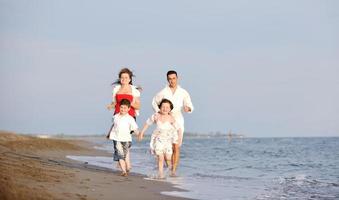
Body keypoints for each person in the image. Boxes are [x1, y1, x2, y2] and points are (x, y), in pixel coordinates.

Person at [151, 70, 194, 176]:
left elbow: (190, 106)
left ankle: (173, 170)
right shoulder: (163, 92)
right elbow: (154, 102)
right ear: (167, 80)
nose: (172, 81)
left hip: (178, 119)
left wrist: (187, 108)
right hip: (166, 120)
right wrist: (160, 113)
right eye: (170, 79)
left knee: (176, 146)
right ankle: (169, 166)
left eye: (174, 78)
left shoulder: (183, 92)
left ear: (177, 78)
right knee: (166, 147)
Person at [139, 99, 181, 178]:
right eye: (163, 107)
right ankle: (161, 174)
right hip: (158, 139)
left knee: (168, 158)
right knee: (160, 157)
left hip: (168, 140)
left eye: (167, 107)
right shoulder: (156, 116)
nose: (165, 109)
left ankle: (171, 171)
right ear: (159, 107)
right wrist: (142, 133)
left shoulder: (171, 118)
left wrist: (179, 138)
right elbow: (147, 123)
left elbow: (179, 128)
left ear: (170, 109)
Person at [106, 99, 139, 176]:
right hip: (117, 138)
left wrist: (139, 134)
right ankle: (124, 171)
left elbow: (135, 128)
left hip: (127, 139)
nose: (123, 109)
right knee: (120, 155)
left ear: (128, 109)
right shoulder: (115, 117)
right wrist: (109, 133)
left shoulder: (130, 118)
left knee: (125, 153)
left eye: (125, 108)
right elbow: (114, 126)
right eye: (121, 107)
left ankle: (127, 167)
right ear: (119, 107)